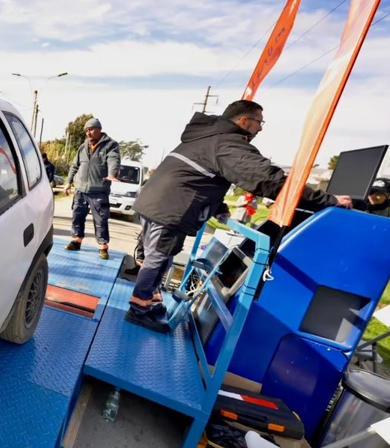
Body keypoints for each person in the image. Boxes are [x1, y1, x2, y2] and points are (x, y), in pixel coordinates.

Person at [127, 100, 353, 333]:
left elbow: (200, 177)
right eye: (259, 122)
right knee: (158, 258)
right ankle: (138, 309)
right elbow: (268, 180)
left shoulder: (207, 136)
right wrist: (327, 200)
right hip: (170, 208)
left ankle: (149, 302)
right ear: (244, 120)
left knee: (161, 257)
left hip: (156, 203)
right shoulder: (228, 143)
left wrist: (218, 206)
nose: (261, 128)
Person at [64, 118, 121, 259]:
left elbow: (113, 160)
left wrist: (112, 173)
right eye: (86, 131)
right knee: (77, 216)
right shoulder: (83, 147)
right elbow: (75, 165)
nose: (88, 133)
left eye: (91, 129)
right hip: (81, 190)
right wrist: (68, 182)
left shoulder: (110, 145)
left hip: (98, 191)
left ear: (99, 129)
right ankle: (76, 241)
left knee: (101, 220)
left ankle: (103, 247)